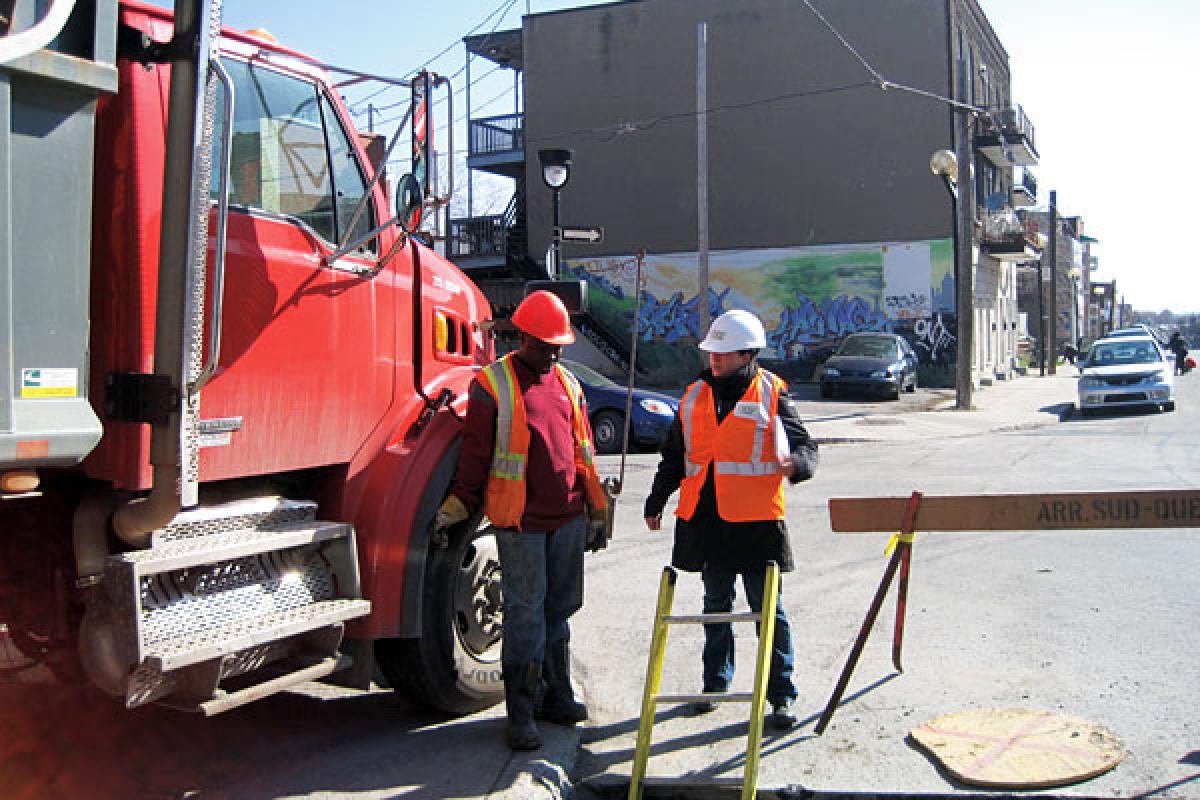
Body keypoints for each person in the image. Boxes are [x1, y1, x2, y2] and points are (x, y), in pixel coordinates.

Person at [435, 290, 608, 750]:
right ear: (525, 338)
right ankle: (522, 713)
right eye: (548, 343)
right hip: (522, 524)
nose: (556, 351)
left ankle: (557, 697)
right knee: (527, 616)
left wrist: (597, 509)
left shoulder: (568, 383)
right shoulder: (493, 385)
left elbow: (582, 451)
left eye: (559, 344)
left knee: (560, 612)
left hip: (567, 518)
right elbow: (475, 458)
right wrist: (457, 505)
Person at [643, 309, 818, 731]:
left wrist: (794, 464)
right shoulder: (693, 396)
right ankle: (715, 684)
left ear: (746, 354)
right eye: (712, 353)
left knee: (767, 613)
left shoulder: (772, 392)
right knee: (715, 607)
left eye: (722, 354)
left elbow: (806, 447)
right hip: (708, 523)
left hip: (757, 526)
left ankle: (782, 696)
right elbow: (674, 456)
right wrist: (656, 500)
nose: (714, 360)